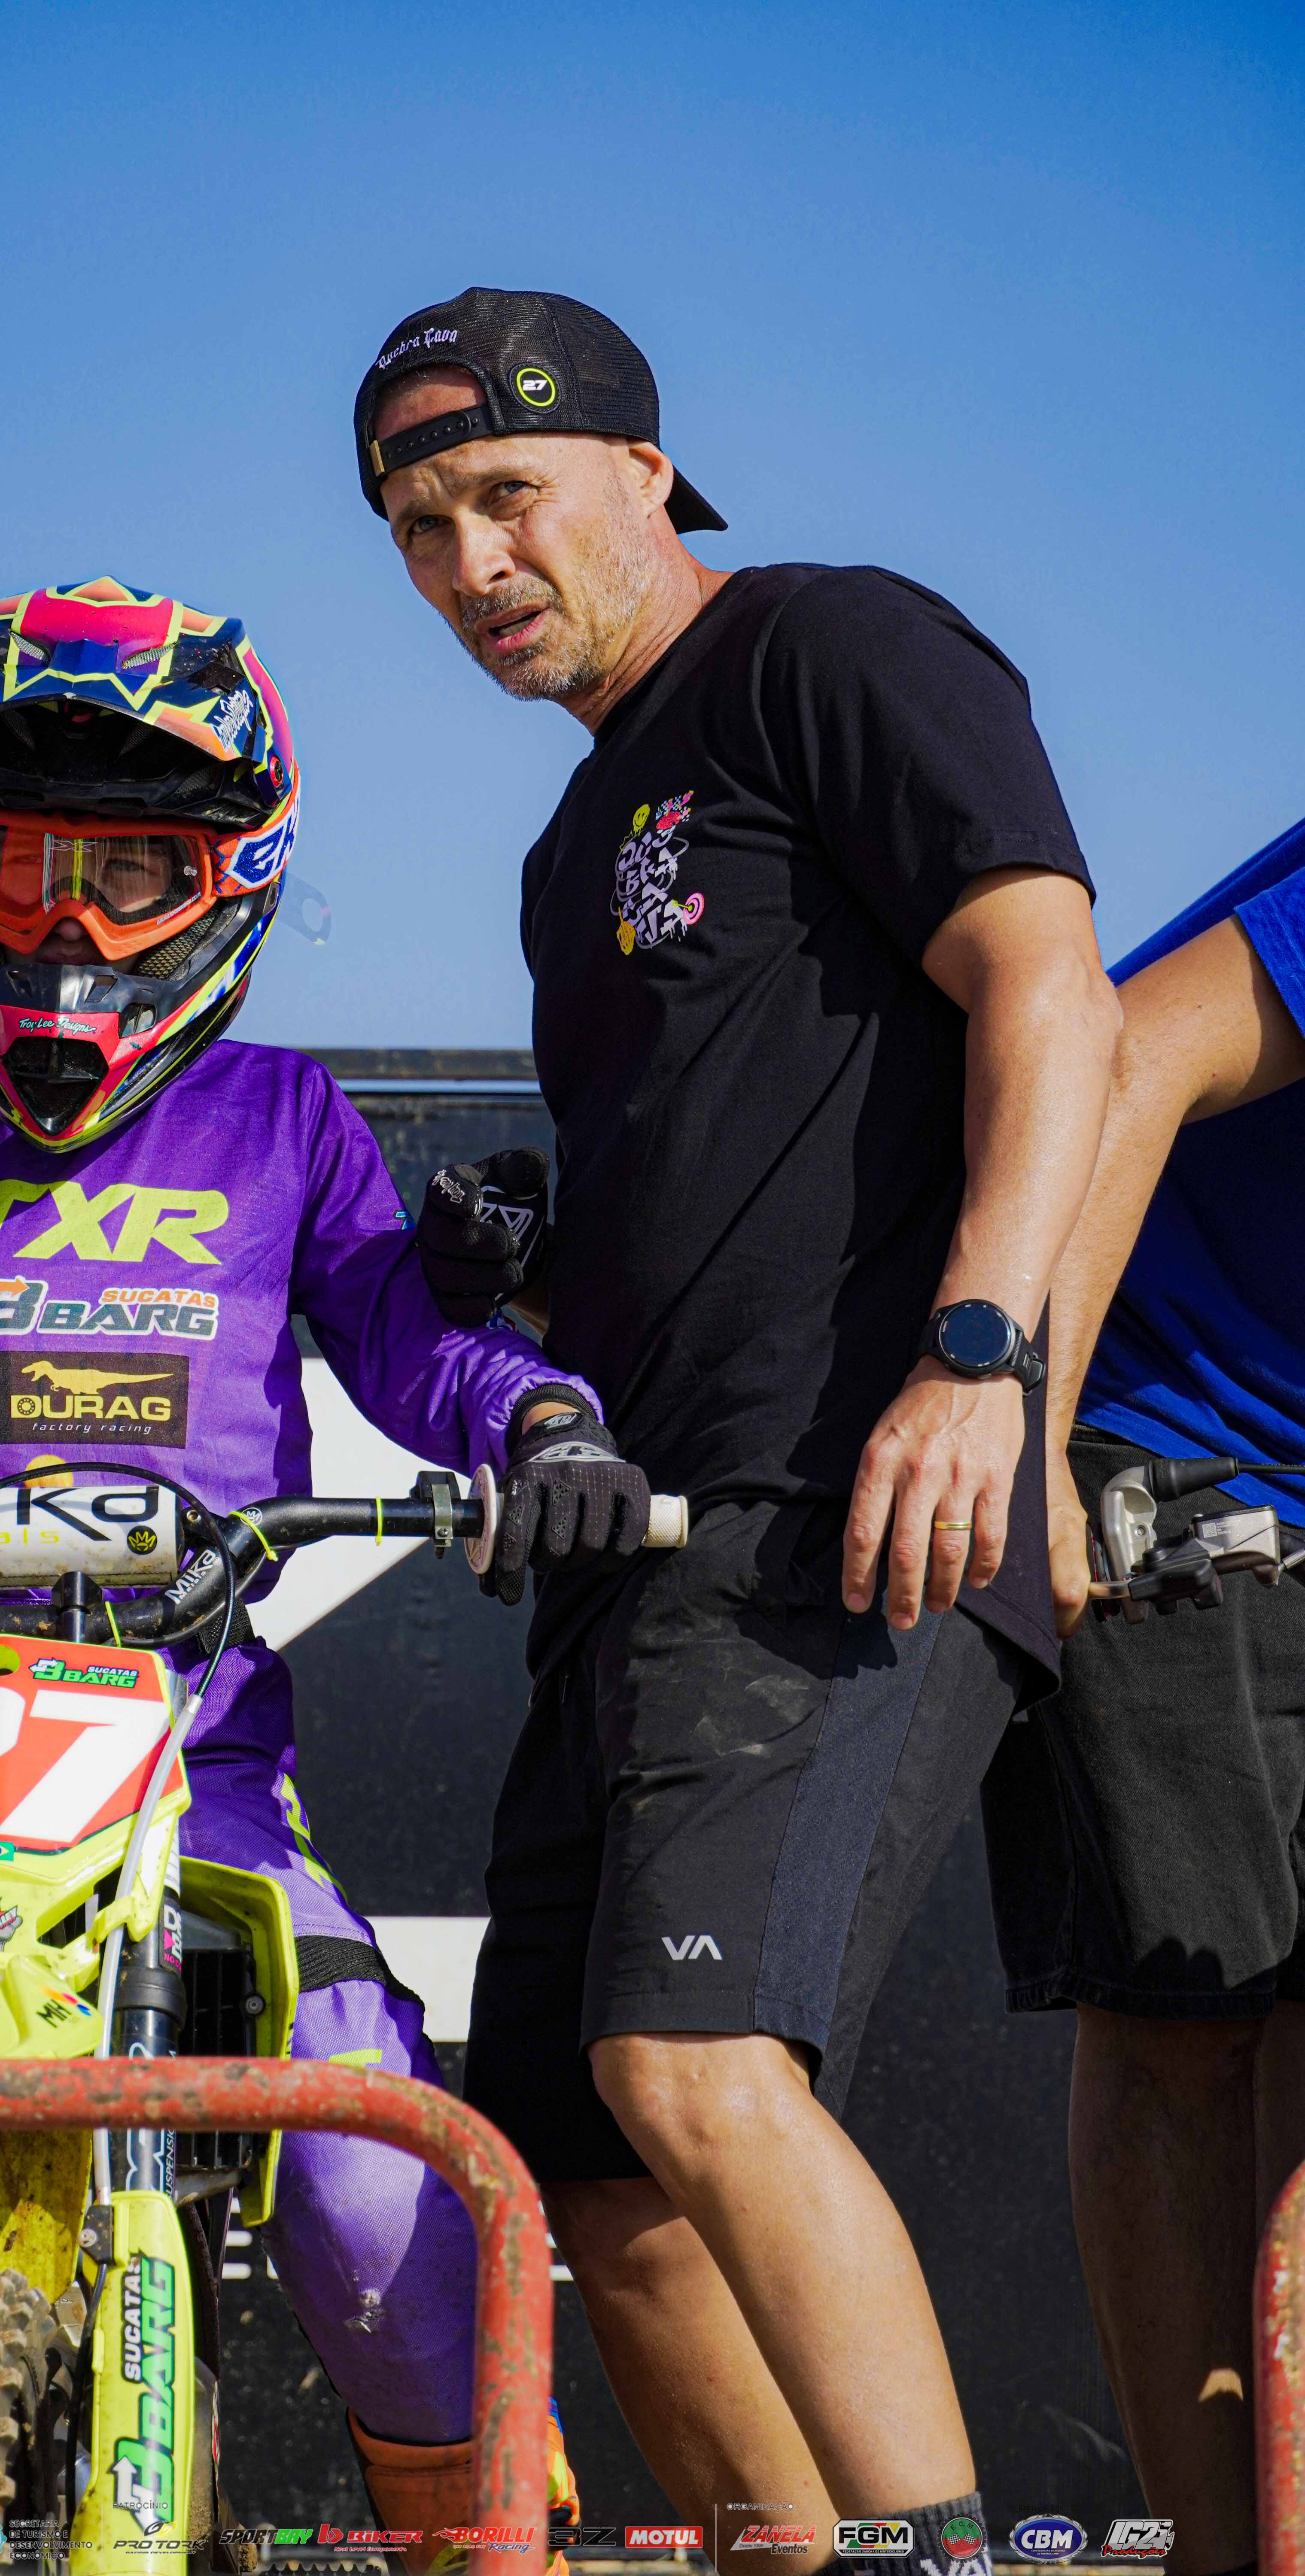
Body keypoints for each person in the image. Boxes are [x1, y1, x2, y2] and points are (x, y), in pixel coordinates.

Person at [0, 578, 623, 2572]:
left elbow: (416, 1346)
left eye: (128, 871)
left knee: (374, 2176)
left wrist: (544, 1427)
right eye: (17, 864)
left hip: (197, 1774)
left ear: (224, 879)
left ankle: (491, 2545)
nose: (66, 925)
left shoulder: (281, 1119)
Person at [356, 287, 1122, 2570]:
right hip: (648, 1549)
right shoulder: (567, 846)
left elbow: (1049, 984)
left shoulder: (828, 643)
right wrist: (536, 1263)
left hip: (850, 1502)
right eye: (420, 529)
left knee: (696, 2072)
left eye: (508, 497)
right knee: (590, 2172)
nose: (473, 565)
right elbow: (734, 1174)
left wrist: (979, 1360)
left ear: (643, 469)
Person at [981, 811, 1305, 2576]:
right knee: (1189, 2023)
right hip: (1157, 1438)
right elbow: (1123, 1057)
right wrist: (1021, 1432)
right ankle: (1214, 2549)